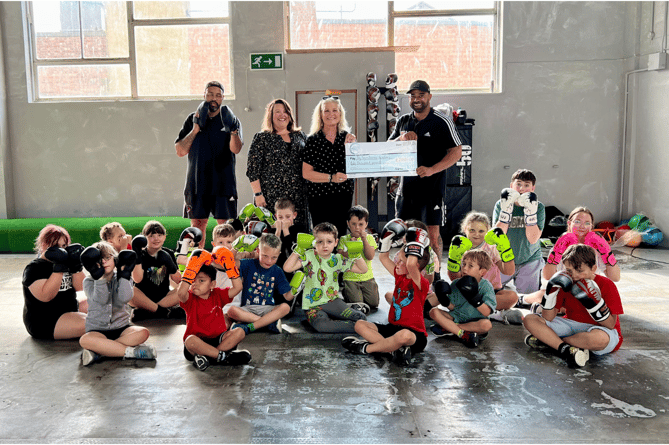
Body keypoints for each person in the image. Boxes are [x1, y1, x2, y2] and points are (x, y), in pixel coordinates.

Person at [389, 80, 463, 260]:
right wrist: (401, 139)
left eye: (421, 95)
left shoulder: (441, 121)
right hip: (406, 190)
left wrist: (432, 169)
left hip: (433, 190)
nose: (416, 99)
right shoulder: (403, 121)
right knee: (407, 235)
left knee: (432, 237)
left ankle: (435, 276)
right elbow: (388, 148)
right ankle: (408, 274)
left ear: (429, 96)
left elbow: (456, 152)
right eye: (412, 96)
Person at [341, 225, 431, 366]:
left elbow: (412, 264)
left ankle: (366, 348)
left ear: (415, 264)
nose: (397, 263)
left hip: (414, 335)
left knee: (403, 335)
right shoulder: (400, 276)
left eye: (401, 261)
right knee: (359, 324)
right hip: (392, 328)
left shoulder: (421, 284)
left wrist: (416, 243)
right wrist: (386, 238)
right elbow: (383, 257)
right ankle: (392, 350)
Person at [522, 244, 624, 368]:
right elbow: (547, 318)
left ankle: (552, 342)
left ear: (593, 268)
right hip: (570, 325)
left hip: (600, 329)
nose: (574, 275)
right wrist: (551, 292)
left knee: (600, 339)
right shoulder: (565, 282)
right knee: (530, 319)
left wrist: (594, 305)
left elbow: (610, 324)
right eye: (569, 270)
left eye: (580, 271)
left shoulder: (606, 285)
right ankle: (565, 348)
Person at [175, 80, 243, 248]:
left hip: (223, 183)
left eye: (218, 95)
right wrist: (196, 129)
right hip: (197, 183)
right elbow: (180, 151)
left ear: (222, 98)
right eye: (210, 94)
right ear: (204, 95)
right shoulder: (192, 119)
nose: (214, 98)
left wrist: (233, 130)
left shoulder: (231, 119)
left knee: (224, 227)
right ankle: (196, 266)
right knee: (197, 226)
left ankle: (224, 267)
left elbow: (236, 149)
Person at [78, 242, 156, 366]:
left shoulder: (122, 276)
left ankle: (101, 352)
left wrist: (124, 276)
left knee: (143, 332)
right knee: (85, 340)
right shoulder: (88, 281)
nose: (104, 262)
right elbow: (101, 300)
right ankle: (131, 352)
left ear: (115, 259)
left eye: (107, 258)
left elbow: (125, 298)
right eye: (99, 260)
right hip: (97, 330)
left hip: (122, 328)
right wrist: (100, 279)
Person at [283, 222, 368, 333]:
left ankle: (348, 316)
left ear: (336, 242)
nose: (325, 246)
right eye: (320, 242)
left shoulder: (338, 259)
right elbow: (287, 268)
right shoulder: (309, 255)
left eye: (329, 241)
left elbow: (362, 269)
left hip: (333, 302)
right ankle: (357, 327)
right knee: (322, 326)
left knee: (361, 317)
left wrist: (357, 254)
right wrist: (298, 249)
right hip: (313, 306)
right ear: (314, 242)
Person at [445, 211, 522, 325]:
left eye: (481, 231)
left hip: (490, 292)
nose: (476, 234)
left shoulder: (492, 248)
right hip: (466, 292)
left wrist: (506, 249)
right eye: (472, 230)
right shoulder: (460, 247)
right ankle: (492, 314)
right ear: (465, 229)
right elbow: (454, 278)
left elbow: (509, 271)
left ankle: (469, 313)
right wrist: (453, 259)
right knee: (446, 292)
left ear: (487, 231)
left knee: (512, 297)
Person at [177, 256, 251, 371]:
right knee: (190, 340)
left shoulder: (217, 294)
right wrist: (189, 270)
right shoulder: (190, 298)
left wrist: (230, 267)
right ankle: (223, 357)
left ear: (212, 284)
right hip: (197, 343)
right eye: (193, 280)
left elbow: (238, 287)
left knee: (240, 331)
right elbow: (181, 293)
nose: (195, 284)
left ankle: (211, 357)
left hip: (218, 339)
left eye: (201, 280)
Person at [246, 99, 310, 228]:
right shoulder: (261, 138)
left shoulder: (300, 136)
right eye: (277, 112)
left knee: (298, 236)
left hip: (298, 197)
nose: (282, 115)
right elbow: (252, 169)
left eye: (285, 111)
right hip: (270, 197)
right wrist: (258, 194)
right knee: (272, 237)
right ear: (271, 115)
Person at [302, 96, 356, 236]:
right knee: (322, 236)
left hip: (343, 197)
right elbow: (306, 173)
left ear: (340, 113)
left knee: (341, 235)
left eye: (334, 110)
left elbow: (356, 167)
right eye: (326, 111)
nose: (331, 114)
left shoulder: (348, 138)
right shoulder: (312, 140)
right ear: (320, 114)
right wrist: (331, 178)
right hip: (319, 198)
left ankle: (340, 259)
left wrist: (354, 147)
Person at [22, 224, 87, 340]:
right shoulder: (34, 268)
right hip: (45, 320)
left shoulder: (67, 262)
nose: (61, 249)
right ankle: (100, 347)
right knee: (94, 322)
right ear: (44, 245)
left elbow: (82, 287)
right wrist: (59, 268)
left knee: (105, 305)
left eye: (63, 245)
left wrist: (76, 266)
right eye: (55, 245)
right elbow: (46, 296)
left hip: (69, 310)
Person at [492, 169, 546, 299]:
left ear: (533, 188)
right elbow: (497, 236)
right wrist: (506, 212)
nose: (522, 188)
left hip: (529, 259)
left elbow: (533, 239)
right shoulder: (500, 204)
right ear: (511, 186)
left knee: (528, 299)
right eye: (518, 184)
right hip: (503, 258)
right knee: (490, 294)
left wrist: (530, 213)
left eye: (526, 185)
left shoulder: (539, 207)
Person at [225, 234, 294, 334]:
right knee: (231, 310)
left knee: (286, 307)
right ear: (258, 251)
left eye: (274, 257)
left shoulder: (277, 271)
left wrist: (296, 289)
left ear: (279, 254)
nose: (269, 261)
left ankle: (249, 327)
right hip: (247, 308)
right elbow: (229, 262)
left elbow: (288, 297)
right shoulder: (249, 263)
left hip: (268, 309)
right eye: (265, 256)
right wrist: (235, 247)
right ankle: (267, 323)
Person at [430, 250, 496, 348]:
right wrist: (443, 298)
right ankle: (463, 334)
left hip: (475, 321)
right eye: (463, 264)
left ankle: (449, 329)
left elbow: (486, 312)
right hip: (456, 317)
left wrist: (474, 297)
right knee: (433, 312)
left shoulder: (486, 286)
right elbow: (452, 307)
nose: (464, 268)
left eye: (470, 266)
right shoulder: (456, 283)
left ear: (482, 271)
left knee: (487, 325)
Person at [130, 221, 184, 320]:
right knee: (129, 289)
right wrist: (137, 256)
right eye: (151, 236)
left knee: (189, 286)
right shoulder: (140, 254)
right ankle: (164, 312)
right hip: (142, 298)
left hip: (164, 298)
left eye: (159, 235)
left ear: (164, 237)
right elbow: (137, 279)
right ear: (144, 238)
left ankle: (148, 310)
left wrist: (170, 264)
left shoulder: (168, 253)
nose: (156, 239)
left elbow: (178, 280)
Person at [340, 205, 379, 312]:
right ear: (348, 223)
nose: (357, 228)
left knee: (373, 303)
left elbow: (370, 256)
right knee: (358, 303)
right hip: (351, 278)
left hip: (368, 278)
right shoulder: (344, 239)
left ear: (366, 224)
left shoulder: (369, 238)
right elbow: (340, 254)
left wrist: (364, 240)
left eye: (361, 224)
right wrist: (352, 248)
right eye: (353, 224)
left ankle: (352, 293)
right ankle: (346, 292)